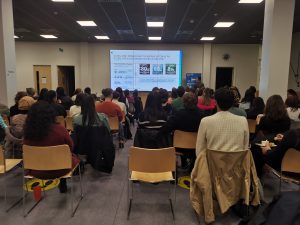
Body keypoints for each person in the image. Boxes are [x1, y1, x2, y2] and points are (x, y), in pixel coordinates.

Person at [23, 101, 80, 193]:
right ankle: (62, 183)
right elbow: (70, 147)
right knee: (69, 156)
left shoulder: (27, 134)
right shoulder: (60, 129)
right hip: (61, 169)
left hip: (36, 170)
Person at [196, 87, 249, 156]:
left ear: (215, 102)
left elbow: (199, 151)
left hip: (211, 165)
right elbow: (245, 149)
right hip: (236, 165)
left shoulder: (205, 121)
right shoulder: (243, 121)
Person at [160, 92, 205, 169]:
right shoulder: (202, 115)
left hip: (179, 147)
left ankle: (181, 164)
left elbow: (165, 129)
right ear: (196, 101)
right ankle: (192, 166)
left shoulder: (178, 114)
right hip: (197, 147)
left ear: (184, 102)